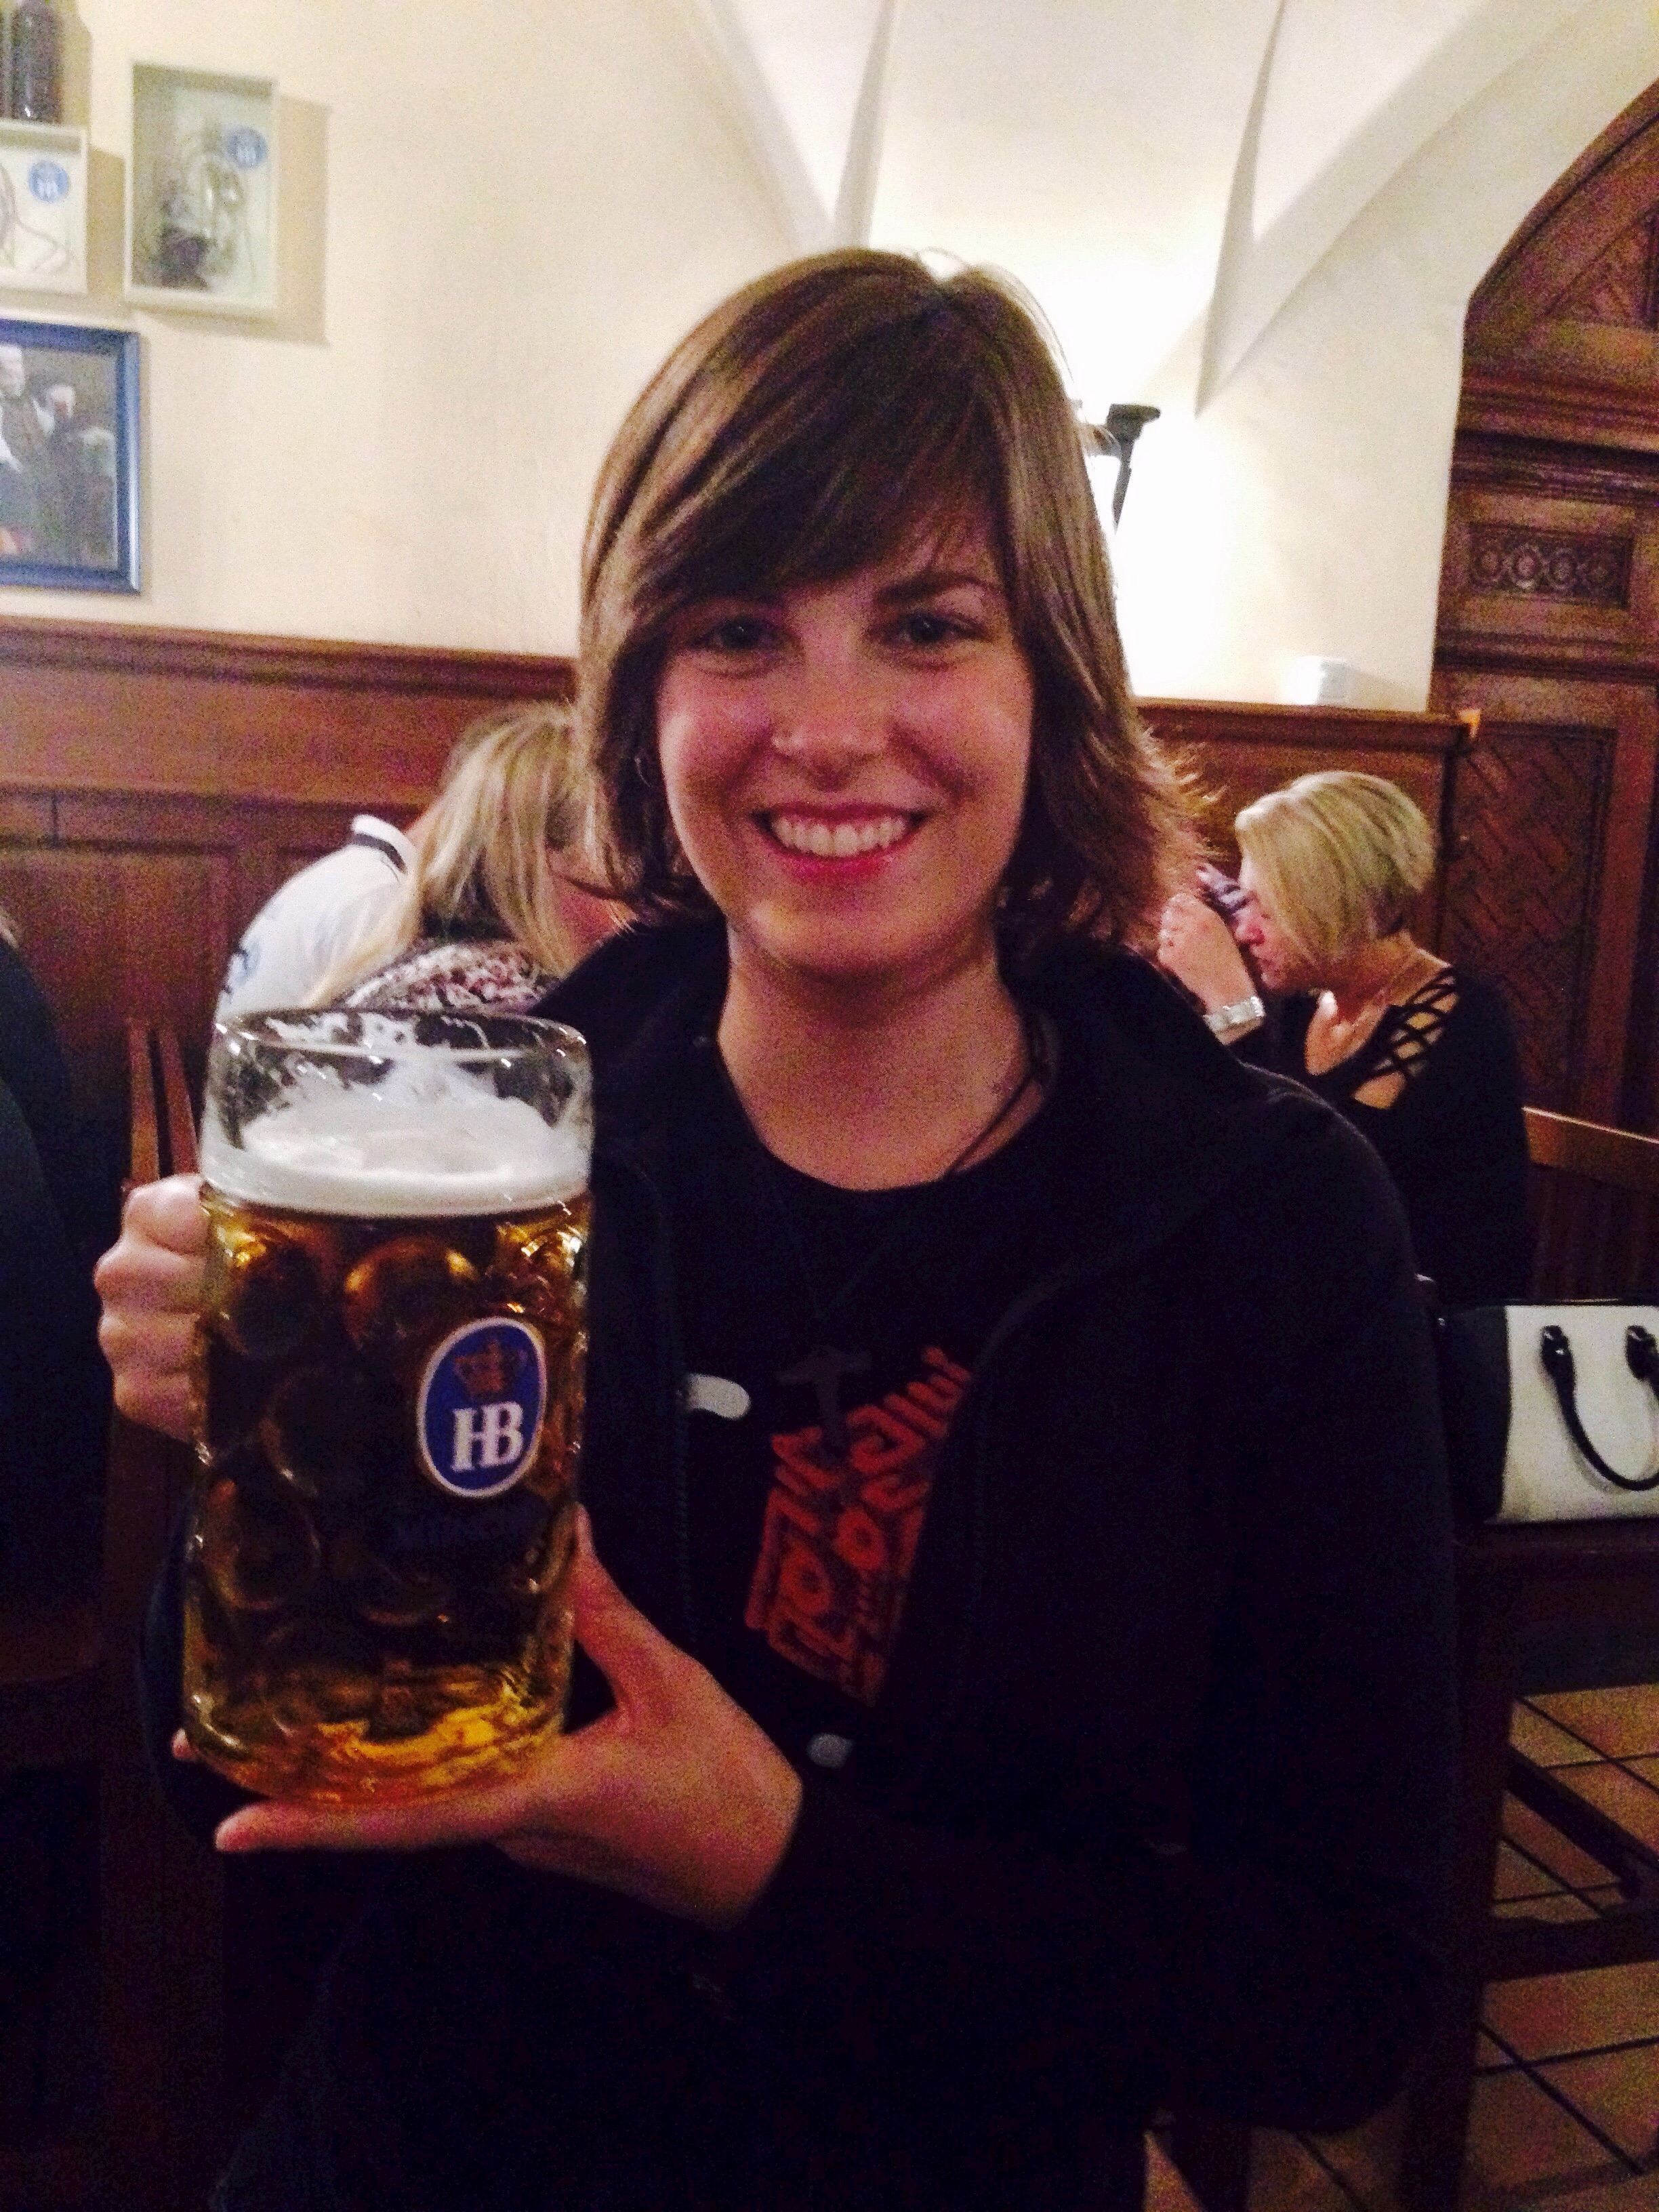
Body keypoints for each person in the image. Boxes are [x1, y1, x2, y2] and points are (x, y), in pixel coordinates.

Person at [96, 250, 1456, 2211]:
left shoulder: (1261, 1220)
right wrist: (241, 1448)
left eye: (926, 627)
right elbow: (217, 1779)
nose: (826, 729)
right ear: (641, 696)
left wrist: (770, 1864)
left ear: (1050, 680)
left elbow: (1336, 1998)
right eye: (739, 629)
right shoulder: (474, 1152)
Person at [1156, 770, 1532, 1309]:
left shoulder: (1463, 1016)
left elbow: (1321, 1189)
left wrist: (1232, 1006)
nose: (1245, 930)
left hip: (1413, 1325)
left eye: (1267, 909)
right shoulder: (1302, 1006)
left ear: (1335, 904)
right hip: (1313, 1307)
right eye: (1244, 902)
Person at [309, 703, 615, 1012]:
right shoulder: (519, 1002)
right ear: (542, 856)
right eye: (622, 850)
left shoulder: (397, 970)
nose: (636, 886)